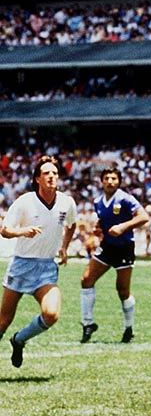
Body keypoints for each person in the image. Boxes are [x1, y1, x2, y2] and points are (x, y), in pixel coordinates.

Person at [0, 156, 77, 368]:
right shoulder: (24, 202)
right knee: (3, 320)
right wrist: (22, 231)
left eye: (54, 173)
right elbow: (5, 230)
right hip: (22, 265)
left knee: (51, 314)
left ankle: (19, 339)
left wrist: (64, 247)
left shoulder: (66, 202)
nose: (51, 177)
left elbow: (71, 224)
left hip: (46, 267)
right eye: (46, 173)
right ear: (37, 179)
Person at [79, 166, 150, 344]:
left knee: (122, 290)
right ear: (101, 181)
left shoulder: (126, 199)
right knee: (86, 279)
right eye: (107, 178)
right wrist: (98, 230)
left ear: (119, 181)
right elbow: (103, 221)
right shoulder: (98, 202)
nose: (110, 181)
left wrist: (123, 227)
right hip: (108, 246)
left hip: (125, 247)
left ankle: (129, 328)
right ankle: (88, 324)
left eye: (114, 179)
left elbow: (144, 217)